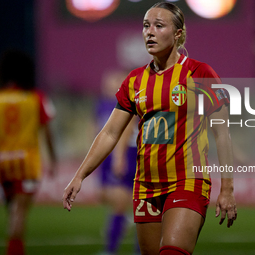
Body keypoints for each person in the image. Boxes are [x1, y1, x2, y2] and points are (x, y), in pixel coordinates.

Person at [63, 2, 237, 255]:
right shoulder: (134, 81)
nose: (149, 32)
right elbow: (111, 132)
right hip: (145, 186)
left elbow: (222, 134)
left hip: (187, 182)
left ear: (178, 34)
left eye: (158, 25)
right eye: (146, 26)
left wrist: (228, 189)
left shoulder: (200, 73)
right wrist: (79, 175)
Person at [0, 49, 57, 255]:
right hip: (27, 164)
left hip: (3, 164)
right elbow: (48, 132)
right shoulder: (36, 98)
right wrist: (53, 159)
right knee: (19, 212)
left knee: (12, 210)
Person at [95, 71, 139, 255]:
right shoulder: (108, 104)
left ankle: (114, 249)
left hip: (138, 154)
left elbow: (126, 130)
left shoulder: (131, 101)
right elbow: (118, 131)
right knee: (118, 201)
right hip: (127, 154)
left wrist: (118, 157)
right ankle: (111, 248)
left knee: (141, 208)